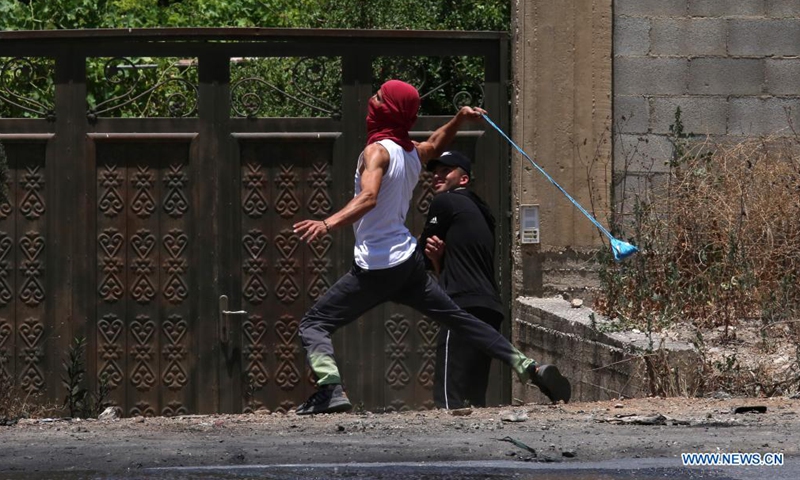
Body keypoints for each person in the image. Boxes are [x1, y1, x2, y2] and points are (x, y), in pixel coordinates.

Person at [292, 79, 571, 415]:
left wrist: (326, 224)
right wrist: (459, 119)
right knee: (460, 319)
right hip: (409, 263)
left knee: (314, 323)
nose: (371, 100)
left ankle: (329, 388)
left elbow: (368, 197)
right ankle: (530, 368)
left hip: (377, 267)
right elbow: (436, 144)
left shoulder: (376, 151)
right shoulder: (410, 152)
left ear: (391, 110)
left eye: (379, 98)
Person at [418, 150, 503, 409]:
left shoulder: (445, 202)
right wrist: (437, 260)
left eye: (446, 171)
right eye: (435, 171)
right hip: (490, 307)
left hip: (462, 305)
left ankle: (446, 443)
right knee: (474, 393)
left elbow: (420, 256)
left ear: (463, 179)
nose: (437, 176)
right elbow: (446, 262)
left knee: (449, 394)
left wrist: (427, 254)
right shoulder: (484, 212)